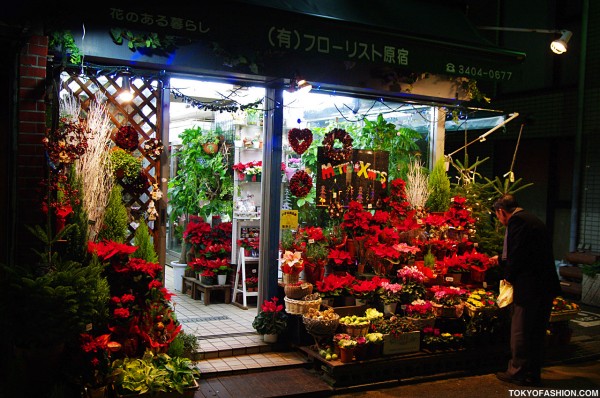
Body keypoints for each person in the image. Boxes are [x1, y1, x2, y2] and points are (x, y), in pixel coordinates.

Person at [493, 194, 562, 386]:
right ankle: (533, 373)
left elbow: (517, 254)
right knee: (537, 331)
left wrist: (508, 277)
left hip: (530, 287)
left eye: (497, 215)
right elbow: (529, 251)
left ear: (501, 211)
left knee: (521, 330)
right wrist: (500, 259)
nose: (499, 221)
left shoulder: (517, 221)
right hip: (545, 286)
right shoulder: (532, 219)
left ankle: (517, 371)